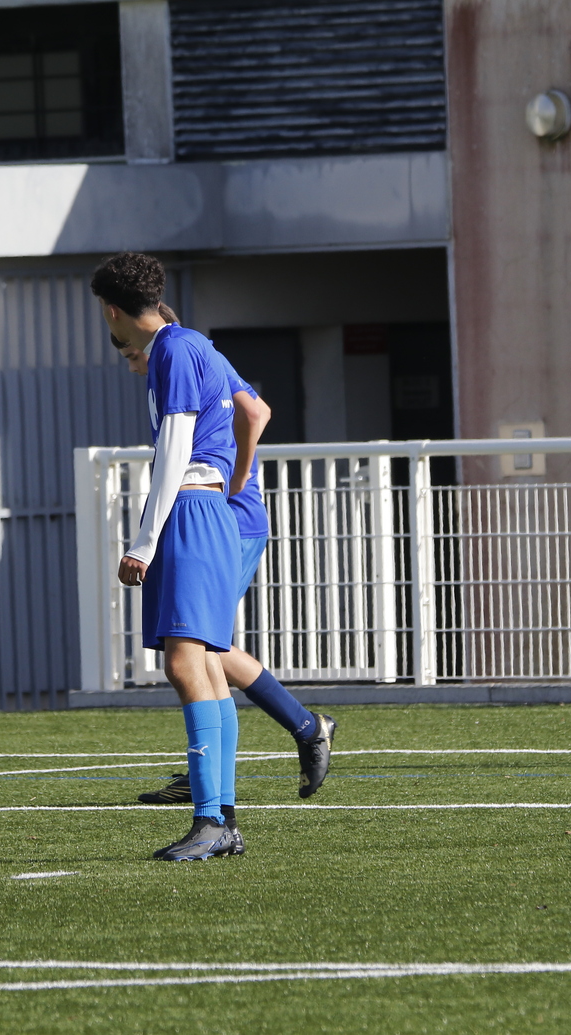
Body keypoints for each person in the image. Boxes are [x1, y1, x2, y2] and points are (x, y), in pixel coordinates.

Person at [114, 310, 338, 806]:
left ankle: (301, 730)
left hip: (222, 514)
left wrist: (239, 479)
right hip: (219, 510)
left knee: (198, 647)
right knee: (201, 648)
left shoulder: (185, 353)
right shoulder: (197, 353)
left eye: (131, 352)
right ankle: (213, 785)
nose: (133, 363)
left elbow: (256, 413)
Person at [91, 253, 242, 862]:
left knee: (185, 664)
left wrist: (143, 541)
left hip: (190, 509)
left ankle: (210, 820)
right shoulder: (193, 342)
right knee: (205, 665)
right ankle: (222, 819)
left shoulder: (172, 351)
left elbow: (176, 447)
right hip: (212, 510)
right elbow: (249, 409)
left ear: (111, 310)